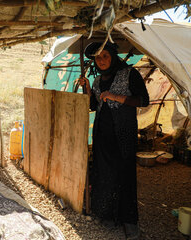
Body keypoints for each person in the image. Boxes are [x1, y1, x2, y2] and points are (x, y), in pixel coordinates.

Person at [79, 42, 149, 240]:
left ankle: (129, 220)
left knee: (125, 173)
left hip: (123, 132)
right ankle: (107, 213)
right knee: (104, 173)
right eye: (98, 58)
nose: (101, 61)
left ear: (113, 56)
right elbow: (93, 106)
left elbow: (143, 100)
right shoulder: (97, 80)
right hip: (102, 134)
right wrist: (87, 90)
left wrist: (115, 96)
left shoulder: (129, 74)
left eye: (105, 56)